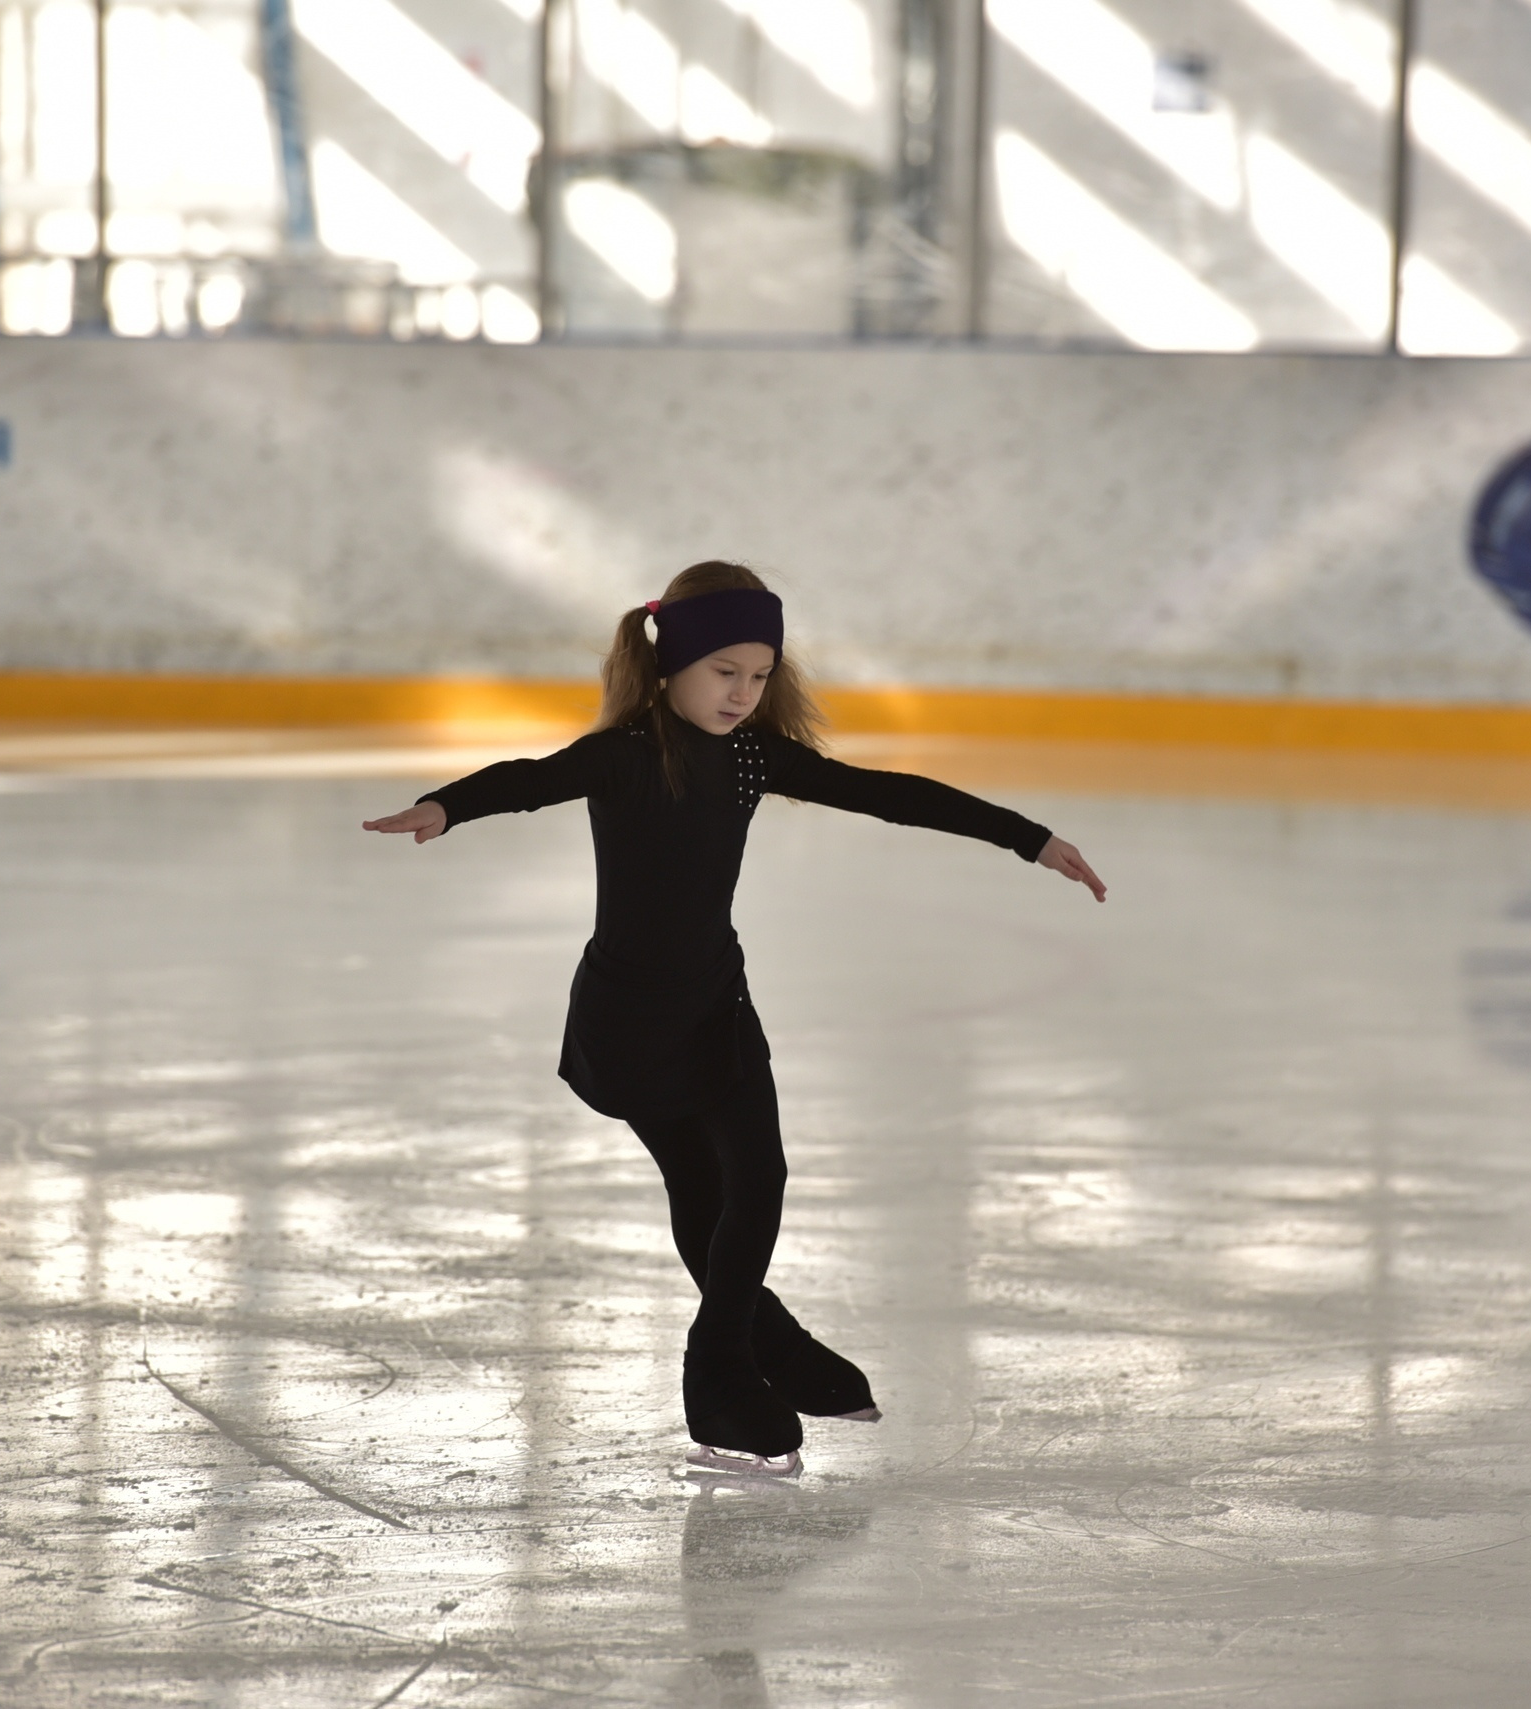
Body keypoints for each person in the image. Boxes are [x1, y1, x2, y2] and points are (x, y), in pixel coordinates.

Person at [365, 561, 1106, 1474]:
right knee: (700, 1188)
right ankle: (734, 1367)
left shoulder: (753, 755)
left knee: (757, 1178)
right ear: (670, 661)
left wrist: (1028, 837)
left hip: (719, 1003)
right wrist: (447, 806)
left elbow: (890, 794)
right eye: (725, 672)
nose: (742, 693)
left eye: (759, 675)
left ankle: (752, 1349)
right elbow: (531, 776)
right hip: (631, 1021)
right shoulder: (627, 753)